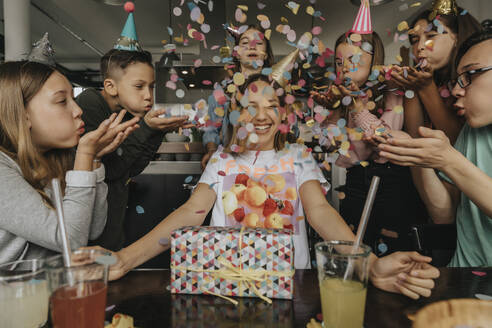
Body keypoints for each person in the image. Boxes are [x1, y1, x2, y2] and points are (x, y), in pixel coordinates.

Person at [92, 74, 439, 300]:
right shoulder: (222, 161)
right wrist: (124, 259)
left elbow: (320, 211)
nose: (262, 116)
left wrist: (371, 264)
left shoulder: (297, 156)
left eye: (272, 106)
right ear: (234, 114)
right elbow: (189, 213)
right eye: (250, 107)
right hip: (228, 289)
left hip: (293, 290)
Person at [311, 0, 428, 256]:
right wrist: (332, 110)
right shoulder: (339, 100)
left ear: (373, 58)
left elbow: (385, 141)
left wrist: (356, 107)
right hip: (355, 184)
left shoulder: (394, 93)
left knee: (389, 248)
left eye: (354, 59)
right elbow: (335, 150)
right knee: (353, 250)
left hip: (392, 185)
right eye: (340, 62)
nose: (345, 68)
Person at [0, 60, 138, 264]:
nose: (78, 110)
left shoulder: (54, 158)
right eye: (62, 101)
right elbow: (70, 241)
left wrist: (94, 160)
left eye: (73, 99)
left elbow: (93, 229)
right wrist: (85, 156)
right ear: (23, 114)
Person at [76, 8, 191, 251]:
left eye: (151, 86)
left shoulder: (127, 113)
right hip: (88, 239)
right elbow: (111, 170)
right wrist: (147, 127)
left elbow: (132, 168)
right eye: (139, 86)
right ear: (110, 86)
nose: (148, 96)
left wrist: (155, 131)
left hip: (113, 231)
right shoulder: (89, 106)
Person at [377, 30, 492, 267]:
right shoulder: (473, 131)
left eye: (470, 75)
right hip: (462, 278)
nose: (457, 90)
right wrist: (416, 155)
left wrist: (449, 160)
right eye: (458, 80)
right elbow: (445, 214)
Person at [390, 0, 481, 143]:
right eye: (414, 39)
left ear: (457, 38)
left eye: (431, 36)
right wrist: (412, 86)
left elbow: (462, 144)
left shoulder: (477, 78)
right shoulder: (425, 79)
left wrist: (426, 87)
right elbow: (415, 139)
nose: (419, 46)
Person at [201, 24, 275, 169]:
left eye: (258, 43)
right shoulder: (222, 91)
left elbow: (292, 130)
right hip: (231, 164)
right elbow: (211, 129)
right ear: (237, 53)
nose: (252, 46)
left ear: (265, 54)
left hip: (271, 166)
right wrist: (211, 150)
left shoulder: (277, 90)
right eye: (245, 43)